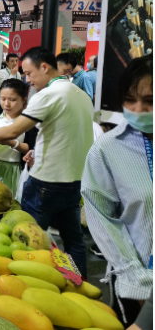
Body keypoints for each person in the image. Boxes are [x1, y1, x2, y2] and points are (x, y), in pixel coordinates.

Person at [0, 47, 93, 278]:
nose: (26, 79)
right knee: (74, 240)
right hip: (74, 180)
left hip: (46, 182)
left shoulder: (49, 95)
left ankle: (27, 286)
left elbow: (13, 130)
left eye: (28, 73)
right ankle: (80, 285)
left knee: (26, 239)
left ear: (44, 67)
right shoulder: (80, 94)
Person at [82, 54, 152, 325]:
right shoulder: (107, 149)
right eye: (130, 100)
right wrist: (138, 281)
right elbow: (103, 219)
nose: (138, 109)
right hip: (137, 286)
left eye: (149, 101)